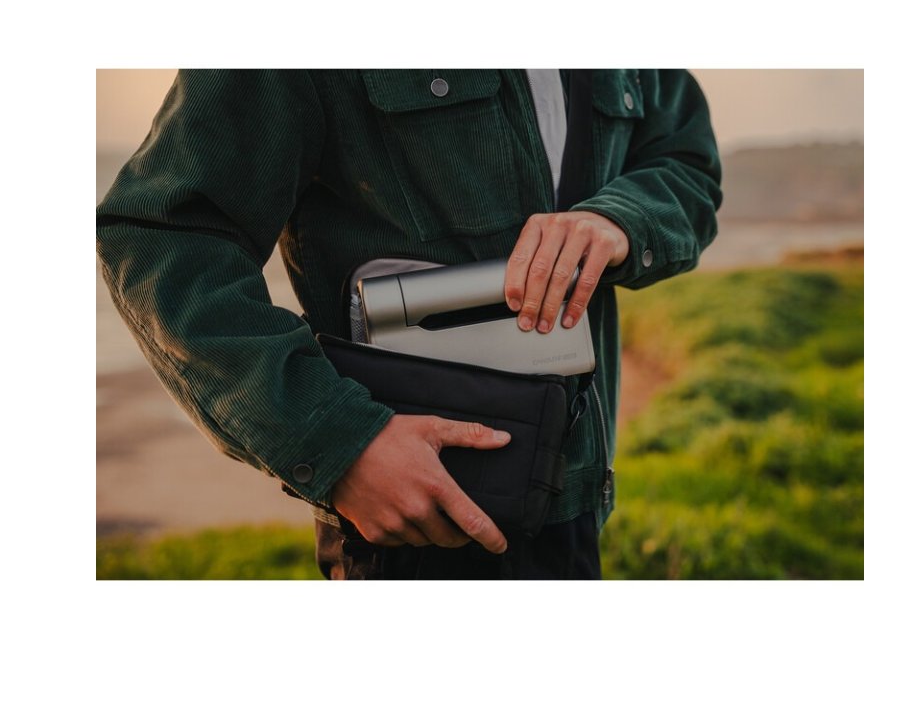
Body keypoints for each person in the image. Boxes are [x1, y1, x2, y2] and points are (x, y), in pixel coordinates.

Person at [96, 69, 722, 580]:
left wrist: (620, 218)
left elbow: (685, 161)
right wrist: (339, 444)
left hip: (578, 509)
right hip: (406, 529)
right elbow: (162, 233)